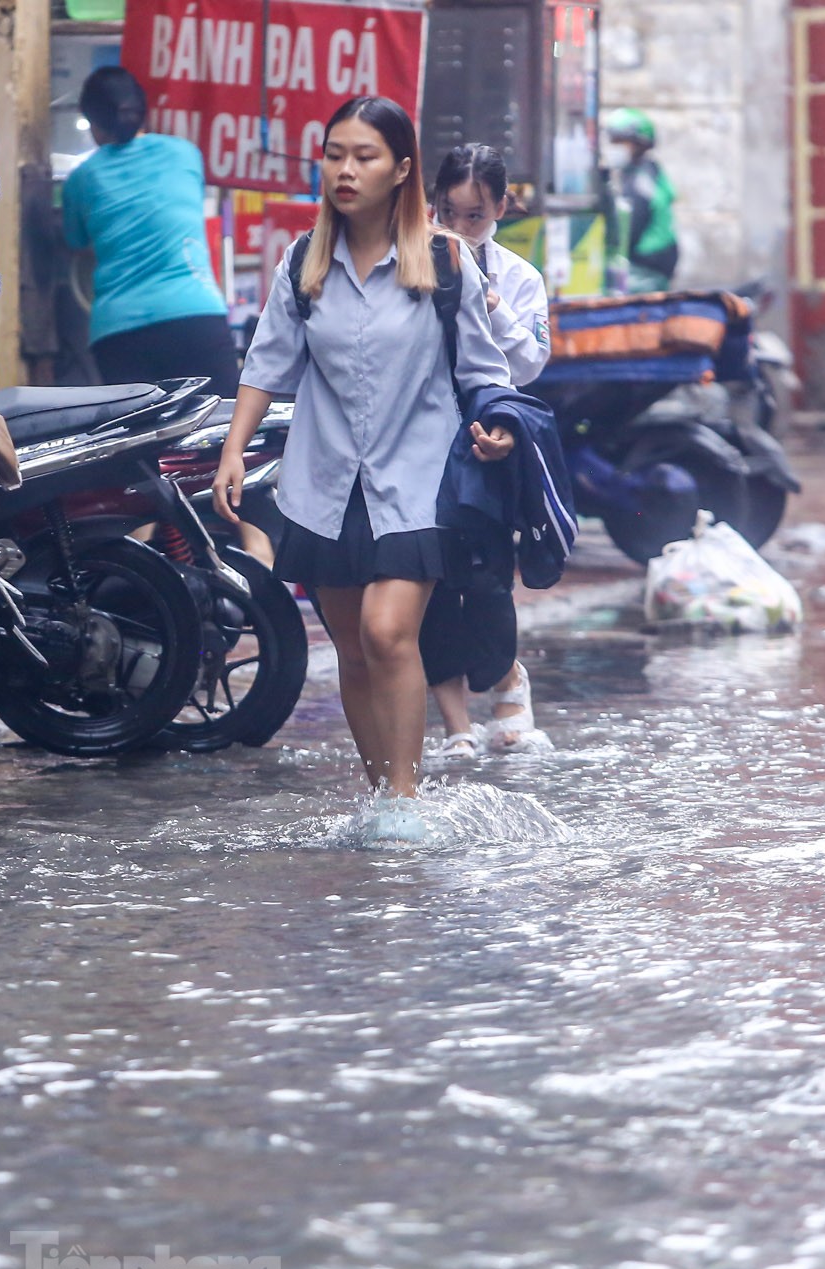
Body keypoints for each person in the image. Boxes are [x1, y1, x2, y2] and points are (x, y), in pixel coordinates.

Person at [213, 96, 516, 846]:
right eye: (334, 155)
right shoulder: (303, 261)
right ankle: (380, 794)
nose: (345, 170)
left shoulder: (443, 260)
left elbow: (485, 369)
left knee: (387, 633)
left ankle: (406, 799)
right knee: (351, 647)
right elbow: (268, 363)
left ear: (402, 169)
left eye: (365, 156)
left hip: (417, 476)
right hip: (323, 480)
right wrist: (233, 448)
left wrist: (500, 429)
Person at [423, 143, 552, 759]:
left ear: (501, 207)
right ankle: (455, 724)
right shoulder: (410, 261)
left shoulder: (521, 278)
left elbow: (530, 365)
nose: (458, 227)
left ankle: (507, 678)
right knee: (428, 576)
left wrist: (492, 307)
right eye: (447, 212)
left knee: (487, 575)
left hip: (486, 438)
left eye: (474, 215)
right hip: (418, 434)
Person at [62, 66, 239, 400]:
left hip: (120, 332)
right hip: (196, 316)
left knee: (137, 433)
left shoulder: (82, 179)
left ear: (95, 125)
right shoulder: (186, 154)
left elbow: (76, 241)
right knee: (221, 424)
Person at [605, 108, 678, 294]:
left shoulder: (640, 182)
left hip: (646, 269)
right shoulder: (646, 172)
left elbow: (630, 230)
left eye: (620, 141)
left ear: (639, 145)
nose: (614, 147)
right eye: (613, 141)